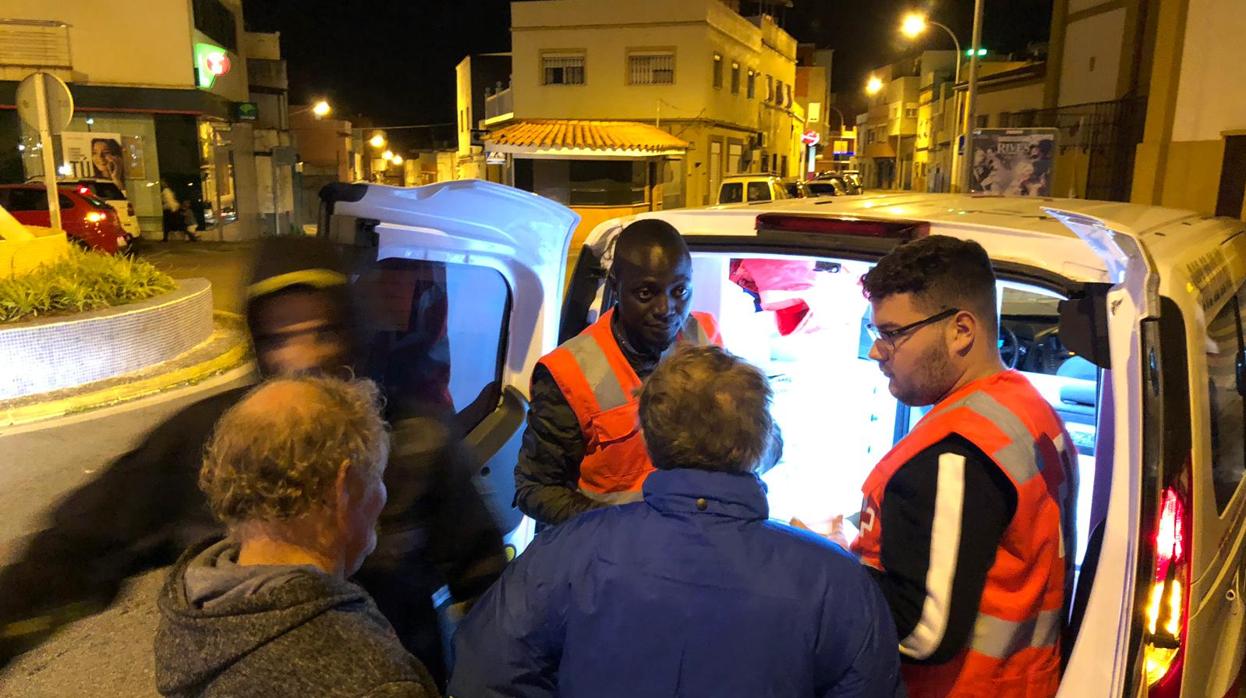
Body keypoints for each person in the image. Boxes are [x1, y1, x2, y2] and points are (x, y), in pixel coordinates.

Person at [0, 237, 506, 689]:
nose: (303, 358)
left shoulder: (417, 439)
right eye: (277, 339)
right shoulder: (211, 438)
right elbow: (77, 550)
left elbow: (482, 581)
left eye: (323, 330)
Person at [451, 346, 901, 698]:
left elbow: (485, 672)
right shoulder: (836, 581)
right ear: (763, 445)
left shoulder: (565, 552)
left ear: (647, 440)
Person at [851, 235, 1077, 697]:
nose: (878, 352)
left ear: (961, 330)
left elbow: (922, 633)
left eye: (892, 334)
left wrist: (823, 580)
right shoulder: (1020, 405)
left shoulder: (952, 454)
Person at [155, 375, 438, 697]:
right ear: (344, 488)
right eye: (378, 475)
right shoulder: (369, 679)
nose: (384, 496)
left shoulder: (195, 612)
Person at [514, 218, 721, 526]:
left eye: (680, 290)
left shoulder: (706, 335)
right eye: (646, 294)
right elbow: (536, 489)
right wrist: (618, 528)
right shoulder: (568, 371)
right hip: (610, 557)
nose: (666, 309)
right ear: (616, 288)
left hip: (695, 537)